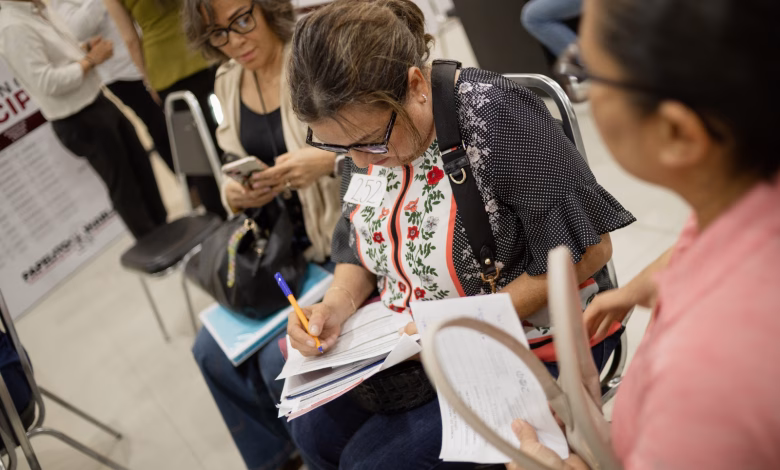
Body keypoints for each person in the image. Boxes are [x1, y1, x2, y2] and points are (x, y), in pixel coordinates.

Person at [284, 0, 635, 468]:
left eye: (371, 142)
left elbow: (588, 251)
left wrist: (455, 322)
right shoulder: (360, 138)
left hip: (529, 337)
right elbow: (358, 246)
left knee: (372, 463)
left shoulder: (495, 116)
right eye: (337, 146)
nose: (361, 161)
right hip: (411, 342)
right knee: (311, 430)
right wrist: (335, 304)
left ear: (415, 86)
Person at [507, 0, 780, 469]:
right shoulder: (743, 194)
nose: (581, 85)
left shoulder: (708, 375)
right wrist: (639, 288)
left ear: (676, 132)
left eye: (586, 70)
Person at [181, 0, 341, 467]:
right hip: (278, 254)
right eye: (219, 34)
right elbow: (232, 163)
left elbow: (380, 147)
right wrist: (235, 192)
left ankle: (317, 452)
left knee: (277, 361)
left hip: (337, 245)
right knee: (209, 353)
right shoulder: (228, 80)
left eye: (242, 21)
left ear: (269, 7)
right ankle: (281, 459)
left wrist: (328, 163)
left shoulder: (314, 56)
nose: (235, 42)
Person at [0, 0, 167, 239]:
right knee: (124, 186)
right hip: (77, 117)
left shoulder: (38, 10)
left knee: (140, 164)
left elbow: (60, 55)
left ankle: (166, 230)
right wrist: (90, 61)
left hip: (96, 100)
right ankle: (153, 243)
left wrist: (85, 49)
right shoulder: (13, 27)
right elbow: (47, 82)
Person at [103, 0, 227, 219]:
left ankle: (219, 217)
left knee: (194, 153)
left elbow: (131, 40)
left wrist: (147, 80)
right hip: (201, 50)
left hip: (163, 69)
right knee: (228, 131)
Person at [50, 0, 177, 174]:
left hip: (152, 50)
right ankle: (189, 181)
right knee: (159, 123)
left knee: (178, 114)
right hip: (122, 71)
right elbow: (78, 29)